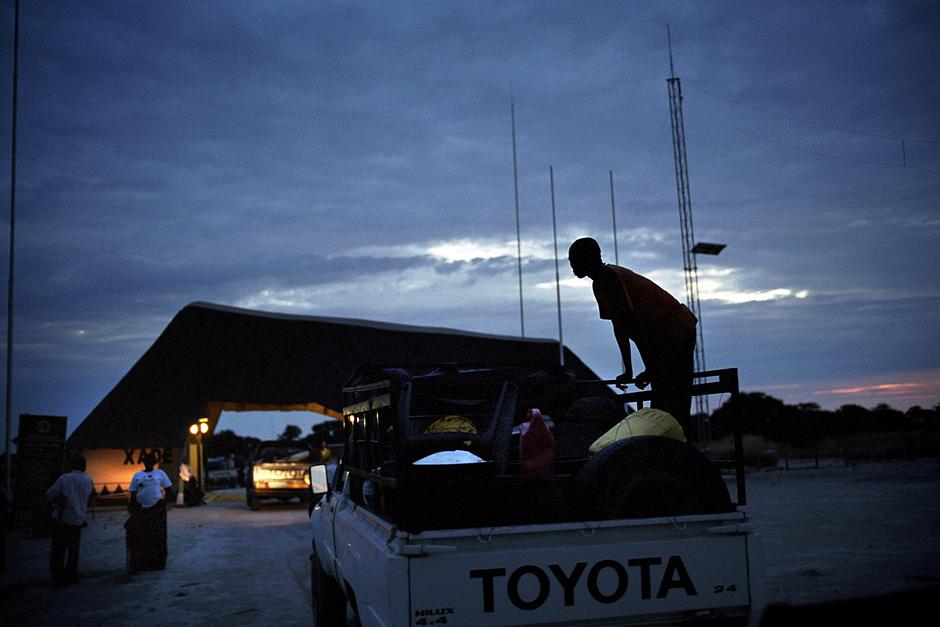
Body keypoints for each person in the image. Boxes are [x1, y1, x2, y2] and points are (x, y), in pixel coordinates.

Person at [568, 237, 697, 425]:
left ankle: (675, 443)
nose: (572, 267)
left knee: (672, 398)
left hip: (674, 327)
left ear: (587, 259)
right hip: (664, 333)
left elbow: (628, 326)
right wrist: (647, 369)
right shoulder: (600, 283)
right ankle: (670, 440)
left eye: (574, 261)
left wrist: (638, 370)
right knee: (665, 396)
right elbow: (625, 329)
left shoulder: (609, 278)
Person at [46, 452, 94, 586]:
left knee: (58, 550)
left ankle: (58, 577)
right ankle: (72, 575)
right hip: (78, 519)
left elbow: (49, 495)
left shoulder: (64, 479)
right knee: (73, 550)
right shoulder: (88, 480)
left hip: (63, 518)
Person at [125, 452, 172, 573]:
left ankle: (158, 563)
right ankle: (144, 563)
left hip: (157, 510)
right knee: (143, 537)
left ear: (154, 462)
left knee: (158, 537)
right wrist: (134, 508)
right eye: (146, 460)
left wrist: (162, 503)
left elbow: (169, 490)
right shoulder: (137, 475)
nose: (148, 462)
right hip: (142, 511)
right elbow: (133, 494)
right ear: (143, 462)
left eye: (151, 460)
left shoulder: (160, 473)